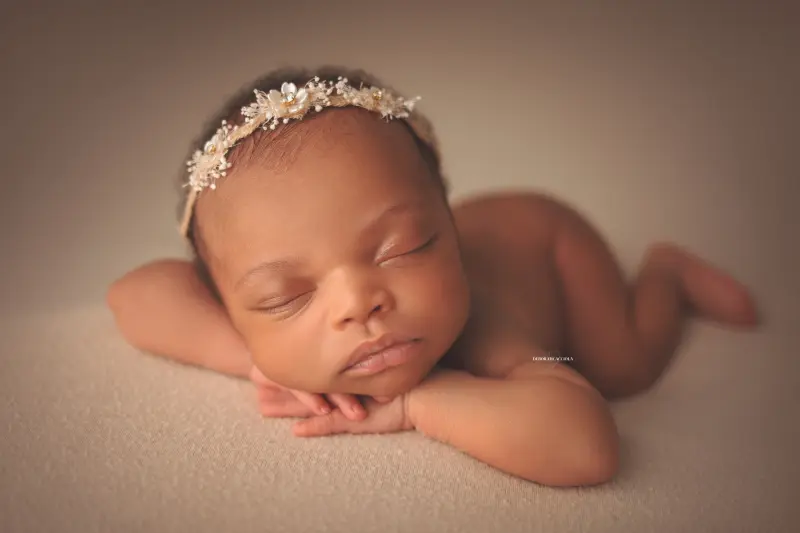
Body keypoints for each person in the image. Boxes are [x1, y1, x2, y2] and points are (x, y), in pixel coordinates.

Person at [106, 66, 759, 487]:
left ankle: (665, 273)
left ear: (446, 216)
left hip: (548, 243)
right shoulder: (255, 326)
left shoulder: (481, 322)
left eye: (405, 246)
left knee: (622, 367)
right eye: (287, 295)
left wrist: (421, 402)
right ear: (231, 302)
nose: (360, 301)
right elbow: (131, 295)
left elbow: (586, 443)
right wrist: (254, 355)